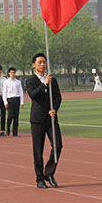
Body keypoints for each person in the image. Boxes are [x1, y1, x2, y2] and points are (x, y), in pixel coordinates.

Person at [25, 53, 62, 189]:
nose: (42, 65)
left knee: (58, 145)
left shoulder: (52, 79)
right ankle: (39, 178)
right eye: (39, 62)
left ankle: (49, 173)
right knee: (38, 150)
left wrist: (55, 109)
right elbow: (33, 95)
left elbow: (58, 97)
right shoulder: (30, 81)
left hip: (51, 118)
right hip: (37, 119)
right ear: (34, 65)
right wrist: (44, 84)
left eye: (44, 62)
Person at [3, 68, 24, 137]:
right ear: (9, 73)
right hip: (10, 100)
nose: (13, 74)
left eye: (14, 72)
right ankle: (8, 129)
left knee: (16, 117)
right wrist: (5, 102)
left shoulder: (18, 82)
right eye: (11, 72)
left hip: (16, 99)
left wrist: (22, 102)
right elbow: (4, 92)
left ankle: (15, 133)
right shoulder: (6, 82)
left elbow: (21, 92)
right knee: (10, 115)